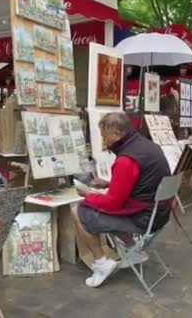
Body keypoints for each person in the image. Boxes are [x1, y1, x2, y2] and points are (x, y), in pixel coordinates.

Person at [72, 112, 171, 288]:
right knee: (106, 209)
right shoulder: (148, 146)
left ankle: (101, 263)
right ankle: (133, 252)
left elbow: (113, 203)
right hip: (159, 213)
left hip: (144, 218)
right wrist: (109, 183)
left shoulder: (126, 159)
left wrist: (88, 195)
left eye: (104, 137)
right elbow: (143, 183)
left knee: (79, 210)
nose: (104, 142)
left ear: (117, 134)